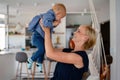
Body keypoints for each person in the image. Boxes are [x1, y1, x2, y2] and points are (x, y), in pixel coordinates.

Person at [27, 3, 66, 72]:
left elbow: (49, 26)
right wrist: (54, 24)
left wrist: (55, 24)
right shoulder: (49, 15)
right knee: (42, 49)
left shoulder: (52, 17)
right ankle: (31, 59)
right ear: (58, 13)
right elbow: (45, 24)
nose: (61, 19)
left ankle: (39, 63)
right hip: (37, 36)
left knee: (44, 49)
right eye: (61, 17)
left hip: (41, 37)